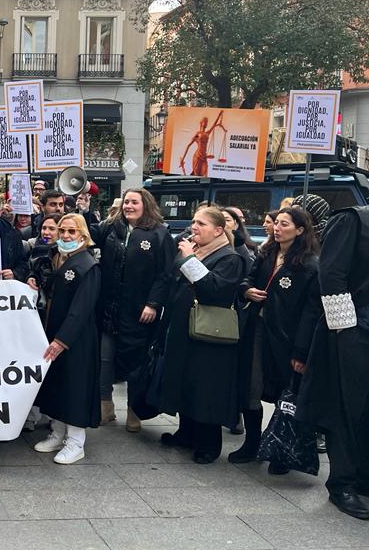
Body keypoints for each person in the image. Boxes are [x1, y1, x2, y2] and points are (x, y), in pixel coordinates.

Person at [297, 173, 369, 520]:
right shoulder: (356, 219)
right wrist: (344, 331)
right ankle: (342, 483)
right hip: (357, 336)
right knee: (348, 411)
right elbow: (331, 275)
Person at [230, 206, 319, 473]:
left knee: (286, 392)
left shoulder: (310, 264)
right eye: (276, 223)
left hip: (288, 339)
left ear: (300, 230)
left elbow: (311, 312)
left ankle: (282, 449)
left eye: (284, 224)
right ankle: (253, 441)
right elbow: (246, 278)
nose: (277, 228)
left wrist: (301, 351)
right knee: (251, 384)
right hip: (257, 329)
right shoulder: (266, 252)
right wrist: (246, 290)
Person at [157, 206, 245, 464]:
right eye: (194, 222)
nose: (194, 227)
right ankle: (186, 433)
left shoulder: (230, 258)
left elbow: (213, 289)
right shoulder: (195, 251)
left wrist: (188, 260)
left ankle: (208, 443)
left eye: (201, 224)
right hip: (184, 328)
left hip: (210, 334)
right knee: (185, 379)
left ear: (218, 230)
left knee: (205, 387)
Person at [90, 188, 177, 431]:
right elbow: (89, 234)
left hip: (139, 310)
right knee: (105, 359)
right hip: (109, 307)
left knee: (135, 362)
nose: (129, 206)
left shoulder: (160, 234)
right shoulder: (111, 228)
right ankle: (105, 407)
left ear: (145, 205)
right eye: (126, 202)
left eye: (134, 202)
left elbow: (166, 274)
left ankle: (133, 411)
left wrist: (153, 303)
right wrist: (85, 208)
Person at [27, 214, 102, 464]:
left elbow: (81, 309)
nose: (66, 236)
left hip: (75, 339)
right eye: (63, 231)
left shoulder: (88, 266)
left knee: (75, 388)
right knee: (58, 385)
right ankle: (58, 433)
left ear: (82, 235)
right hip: (55, 333)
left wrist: (62, 340)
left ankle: (75, 441)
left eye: (72, 232)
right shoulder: (58, 258)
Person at [180, 111, 227, 177]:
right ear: (201, 123)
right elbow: (189, 145)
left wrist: (219, 116)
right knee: (197, 176)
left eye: (207, 122)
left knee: (205, 175)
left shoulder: (207, 133)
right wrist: (183, 159)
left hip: (204, 157)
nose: (206, 123)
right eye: (205, 121)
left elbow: (213, 125)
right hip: (198, 156)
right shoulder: (197, 134)